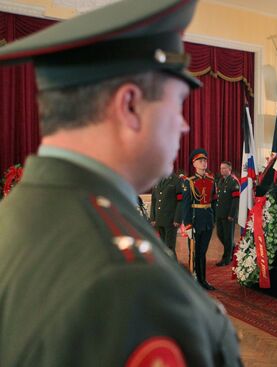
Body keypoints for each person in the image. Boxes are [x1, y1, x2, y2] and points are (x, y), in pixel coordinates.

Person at [0, 1, 243, 366]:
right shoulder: (129, 282)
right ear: (129, 105)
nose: (184, 125)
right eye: (177, 105)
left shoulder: (16, 212)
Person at [182, 149, 217, 290]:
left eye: (205, 160)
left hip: (207, 221)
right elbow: (185, 206)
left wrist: (213, 217)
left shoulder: (211, 180)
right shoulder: (189, 182)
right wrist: (188, 225)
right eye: (200, 161)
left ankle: (202, 280)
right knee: (194, 252)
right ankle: (193, 280)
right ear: (194, 164)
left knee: (202, 252)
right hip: (195, 221)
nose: (203, 163)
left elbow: (214, 201)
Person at [150, 172, 184, 257]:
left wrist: (177, 219)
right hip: (159, 219)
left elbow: (180, 201)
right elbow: (154, 201)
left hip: (171, 220)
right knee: (161, 247)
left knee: (169, 248)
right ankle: (165, 268)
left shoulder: (176, 180)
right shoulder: (157, 180)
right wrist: (153, 218)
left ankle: (173, 268)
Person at [215, 161, 240, 266]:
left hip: (228, 215)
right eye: (221, 168)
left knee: (228, 237)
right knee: (220, 234)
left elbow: (235, 200)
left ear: (229, 169)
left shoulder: (233, 181)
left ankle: (226, 258)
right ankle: (232, 248)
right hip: (220, 214)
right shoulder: (220, 181)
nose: (222, 170)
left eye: (224, 168)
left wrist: (232, 214)